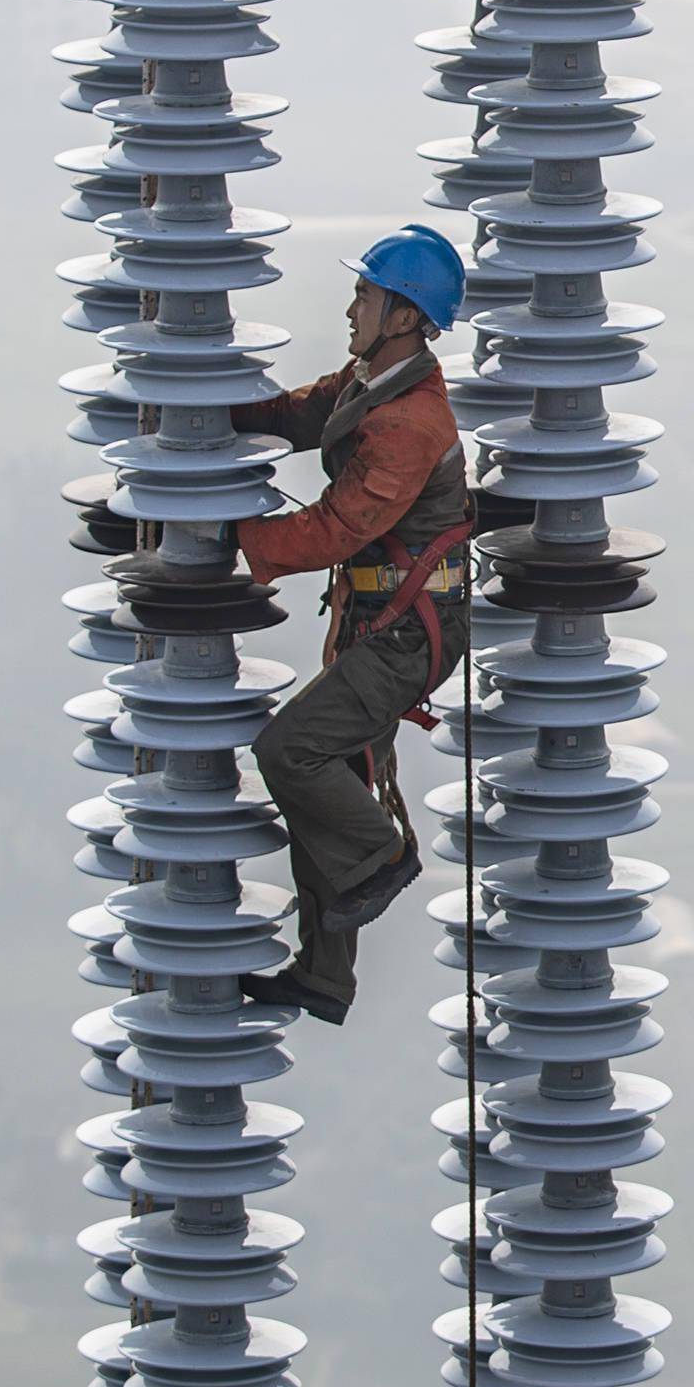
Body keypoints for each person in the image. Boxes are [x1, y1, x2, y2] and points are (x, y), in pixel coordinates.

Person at [232, 223, 474, 1024]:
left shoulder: (411, 423)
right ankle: (326, 974)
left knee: (291, 751)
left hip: (408, 633)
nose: (351, 306)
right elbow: (309, 413)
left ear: (404, 314)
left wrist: (240, 540)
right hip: (381, 619)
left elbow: (340, 526)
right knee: (330, 778)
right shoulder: (375, 381)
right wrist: (230, 414)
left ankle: (383, 853)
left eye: (365, 294)